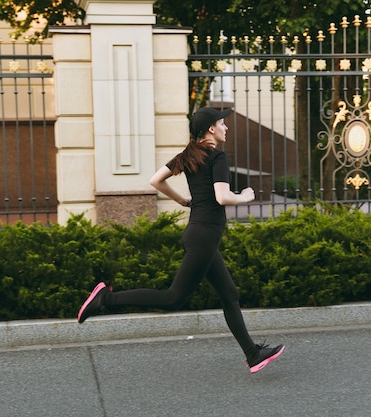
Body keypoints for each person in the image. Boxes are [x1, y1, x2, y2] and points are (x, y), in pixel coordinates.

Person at [77, 107, 284, 373]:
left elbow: (156, 180)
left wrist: (182, 200)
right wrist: (245, 196)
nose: (226, 128)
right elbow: (222, 197)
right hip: (204, 236)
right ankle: (105, 299)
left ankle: (253, 354)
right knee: (173, 298)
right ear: (211, 128)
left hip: (198, 234)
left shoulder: (189, 155)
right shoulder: (217, 157)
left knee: (229, 294)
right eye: (222, 123)